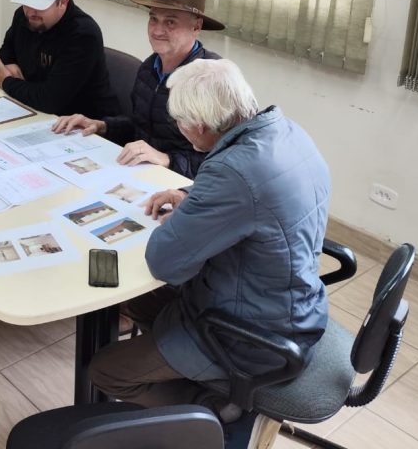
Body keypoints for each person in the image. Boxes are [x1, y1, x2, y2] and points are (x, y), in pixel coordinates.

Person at [88, 59, 330, 447]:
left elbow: (164, 261)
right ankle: (209, 390)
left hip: (250, 332)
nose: (180, 132)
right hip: (293, 304)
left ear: (199, 126)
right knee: (141, 301)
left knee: (105, 370)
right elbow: (255, 209)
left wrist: (193, 214)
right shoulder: (286, 131)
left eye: (180, 124)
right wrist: (193, 202)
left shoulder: (233, 170)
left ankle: (220, 418)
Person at [52, 0, 224, 178]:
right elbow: (141, 126)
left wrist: (167, 159)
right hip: (140, 174)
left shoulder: (212, 79)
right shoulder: (149, 67)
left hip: (182, 187)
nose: (157, 31)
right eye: (153, 19)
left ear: (196, 27)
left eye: (170, 22)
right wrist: (102, 125)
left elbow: (226, 160)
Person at [0, 0, 119, 119]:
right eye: (26, 3)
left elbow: (50, 100)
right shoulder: (24, 16)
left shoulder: (83, 34)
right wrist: (9, 65)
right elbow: (2, 58)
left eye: (39, 5)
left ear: (63, 3)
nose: (31, 12)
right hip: (33, 110)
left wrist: (7, 82)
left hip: (81, 125)